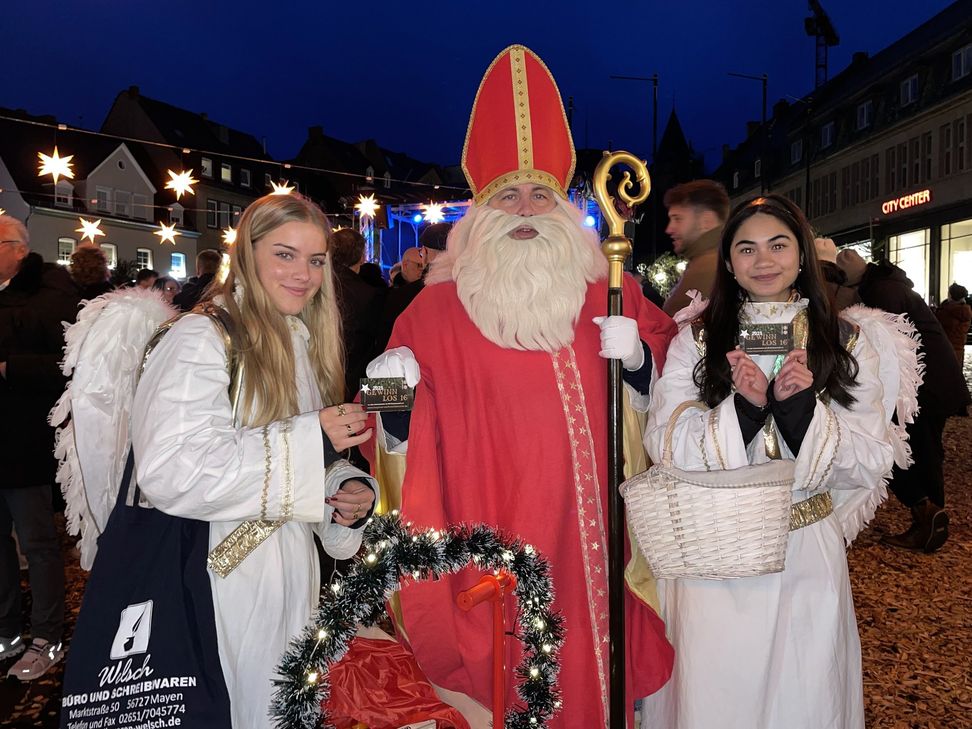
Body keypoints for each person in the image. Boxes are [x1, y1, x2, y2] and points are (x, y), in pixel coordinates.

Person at [366, 45, 676, 727]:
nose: (527, 206)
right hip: (492, 537)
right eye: (508, 194)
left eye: (540, 193)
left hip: (593, 536)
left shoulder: (611, 292)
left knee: (597, 671)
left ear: (565, 207)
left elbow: (675, 370)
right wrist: (392, 404)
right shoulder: (431, 312)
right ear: (480, 211)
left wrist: (641, 366)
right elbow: (383, 425)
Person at [641, 194, 909, 729]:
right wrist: (742, 410)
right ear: (729, 260)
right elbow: (664, 443)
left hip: (803, 553)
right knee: (715, 697)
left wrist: (800, 412)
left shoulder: (847, 340)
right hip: (712, 559)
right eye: (746, 248)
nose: (763, 261)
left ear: (803, 255)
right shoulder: (695, 340)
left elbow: (872, 457)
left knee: (803, 695)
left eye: (778, 245)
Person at [129, 194, 378, 727]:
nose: (304, 274)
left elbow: (299, 455)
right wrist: (310, 435)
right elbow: (172, 470)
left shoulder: (297, 338)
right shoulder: (202, 337)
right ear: (247, 253)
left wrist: (343, 490)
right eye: (285, 255)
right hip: (219, 572)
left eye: (315, 261)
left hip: (288, 568)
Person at [836, 249, 969, 552]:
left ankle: (926, 514)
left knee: (896, 447)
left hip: (923, 384)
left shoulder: (882, 292)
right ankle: (931, 518)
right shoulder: (889, 285)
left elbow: (890, 344)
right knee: (925, 450)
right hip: (934, 380)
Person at [0, 215, 80, 679]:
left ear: (17, 248)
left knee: (38, 543)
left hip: (24, 442)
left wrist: (10, 368)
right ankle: (6, 630)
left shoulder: (48, 294)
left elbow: (68, 362)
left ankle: (48, 636)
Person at [329, 228, 384, 401]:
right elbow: (376, 343)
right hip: (355, 383)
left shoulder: (316, 285)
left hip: (320, 378)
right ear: (361, 256)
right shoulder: (370, 294)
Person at [661, 180, 729, 317]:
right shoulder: (717, 258)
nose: (669, 229)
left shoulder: (708, 265)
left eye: (678, 219)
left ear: (706, 222)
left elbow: (667, 325)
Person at [935, 282, 971, 362]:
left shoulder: (949, 311)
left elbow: (939, 324)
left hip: (947, 348)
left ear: (952, 295)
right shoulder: (964, 310)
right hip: (958, 348)